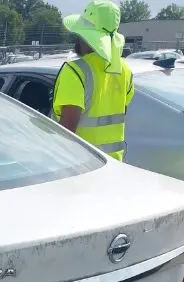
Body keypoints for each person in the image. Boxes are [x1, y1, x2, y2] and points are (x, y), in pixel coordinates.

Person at [52, 0, 134, 161]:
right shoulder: (124, 70)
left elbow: (67, 130)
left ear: (85, 36)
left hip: (80, 164)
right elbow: (119, 113)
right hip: (113, 164)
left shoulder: (75, 71)